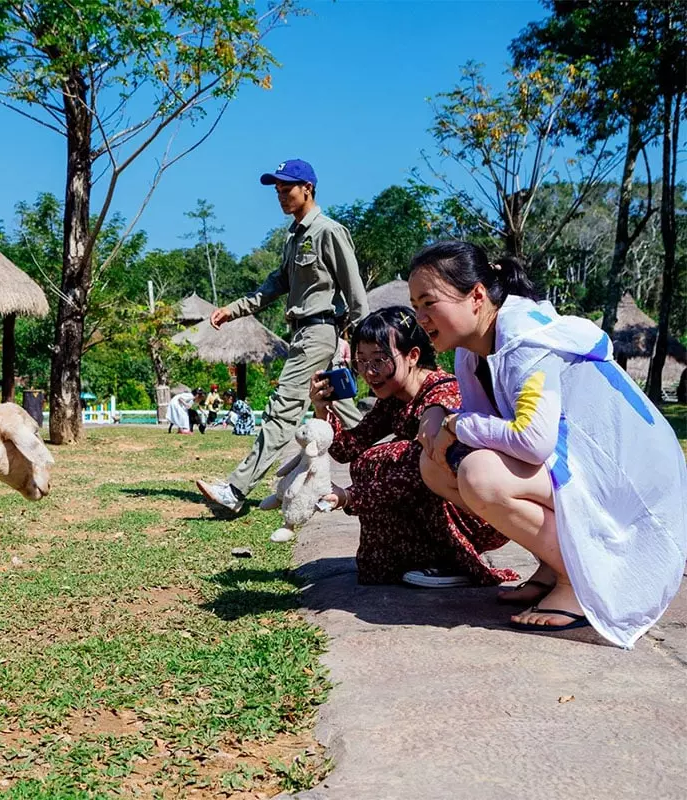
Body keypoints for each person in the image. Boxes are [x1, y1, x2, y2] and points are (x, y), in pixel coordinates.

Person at [408, 241, 687, 647]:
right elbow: (485, 428)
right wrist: (438, 415)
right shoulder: (471, 355)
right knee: (436, 464)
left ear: (477, 296)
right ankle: (551, 566)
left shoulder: (527, 343)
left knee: (479, 474)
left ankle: (579, 583)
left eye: (429, 302)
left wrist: (457, 423)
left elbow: (529, 440)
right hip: (579, 464)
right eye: (416, 305)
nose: (420, 317)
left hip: (632, 481)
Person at [197, 158, 369, 512]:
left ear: (307, 188)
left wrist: (364, 341)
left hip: (319, 333)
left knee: (282, 410)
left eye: (286, 189)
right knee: (348, 414)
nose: (280, 196)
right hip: (304, 334)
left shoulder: (328, 232)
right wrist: (233, 309)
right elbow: (273, 287)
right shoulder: (293, 239)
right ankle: (402, 463)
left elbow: (355, 294)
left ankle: (236, 489)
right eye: (277, 191)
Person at [312, 307, 517, 587]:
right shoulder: (393, 399)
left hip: (478, 511)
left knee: (388, 458)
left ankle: (454, 561)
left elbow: (417, 464)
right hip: (441, 503)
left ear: (413, 356)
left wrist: (349, 496)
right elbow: (346, 449)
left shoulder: (443, 390)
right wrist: (323, 410)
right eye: (361, 362)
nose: (369, 372)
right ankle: (428, 558)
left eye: (379, 360)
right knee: (376, 570)